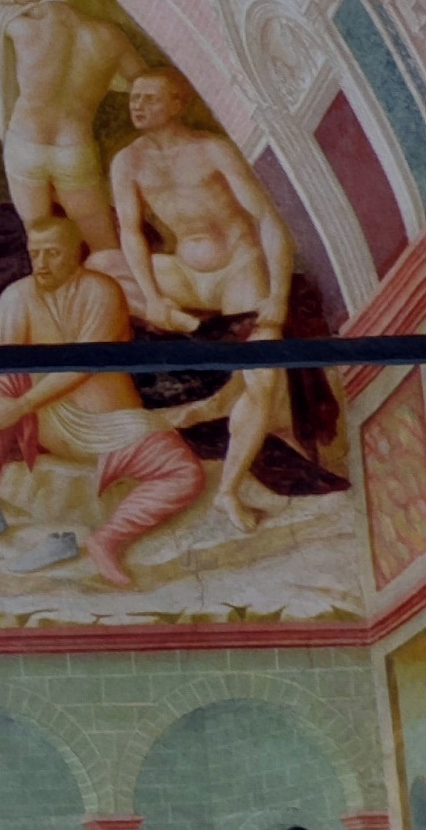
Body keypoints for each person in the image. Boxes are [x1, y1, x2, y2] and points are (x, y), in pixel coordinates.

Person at [0, 209, 211, 585]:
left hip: (114, 428)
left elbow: (84, 362)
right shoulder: (17, 297)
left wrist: (22, 405)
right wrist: (13, 405)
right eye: (35, 253)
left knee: (185, 473)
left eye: (52, 253)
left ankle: (107, 539)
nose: (42, 263)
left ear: (76, 251)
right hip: (47, 422)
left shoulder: (101, 291)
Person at [107, 62, 302, 532]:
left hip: (237, 268)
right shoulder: (127, 161)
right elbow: (131, 233)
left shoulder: (211, 150)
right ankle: (184, 326)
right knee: (98, 272)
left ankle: (229, 491)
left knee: (265, 372)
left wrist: (276, 295)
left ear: (178, 103)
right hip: (185, 273)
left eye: (150, 97)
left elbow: (269, 221)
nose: (138, 105)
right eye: (134, 98)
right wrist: (153, 297)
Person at [0, 0, 142, 266]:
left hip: (26, 145)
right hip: (74, 149)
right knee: (104, 245)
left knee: (40, 242)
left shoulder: (24, 27)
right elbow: (143, 82)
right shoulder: (109, 36)